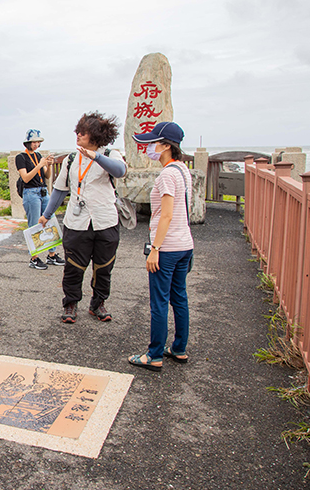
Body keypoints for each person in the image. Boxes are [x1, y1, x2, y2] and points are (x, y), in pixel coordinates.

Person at [39, 112, 127, 323]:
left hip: (105, 220)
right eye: (77, 131)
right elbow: (60, 190)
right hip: (77, 222)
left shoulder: (110, 155)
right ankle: (70, 304)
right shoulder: (72, 159)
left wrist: (95, 156)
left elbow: (120, 171)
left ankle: (98, 303)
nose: (77, 135)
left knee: (104, 266)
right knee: (73, 266)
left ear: (95, 135)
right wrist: (46, 215)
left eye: (82, 132)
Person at [128, 122, 193, 372]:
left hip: (166, 248)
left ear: (166, 146)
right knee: (180, 298)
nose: (150, 147)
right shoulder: (182, 170)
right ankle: (179, 348)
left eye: (154, 142)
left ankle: (154, 354)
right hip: (184, 244)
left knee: (159, 302)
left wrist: (154, 248)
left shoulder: (167, 174)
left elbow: (165, 215)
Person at [16, 129, 64, 270]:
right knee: (34, 225)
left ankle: (52, 254)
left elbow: (47, 176)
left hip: (43, 192)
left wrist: (48, 164)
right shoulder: (21, 157)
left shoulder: (38, 156)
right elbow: (25, 178)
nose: (37, 145)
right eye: (34, 142)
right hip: (30, 193)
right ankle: (34, 258)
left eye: (38, 142)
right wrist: (39, 165)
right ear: (28, 142)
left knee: (51, 220)